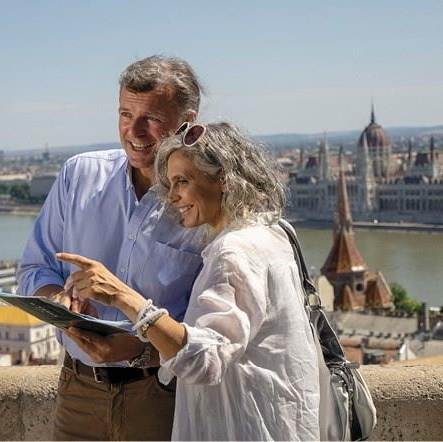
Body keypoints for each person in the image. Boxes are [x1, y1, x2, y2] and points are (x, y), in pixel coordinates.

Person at [57, 122, 321, 441]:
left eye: (182, 181)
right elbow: (227, 346)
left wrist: (123, 297)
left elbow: (205, 361)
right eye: (170, 183)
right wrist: (137, 351)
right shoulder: (273, 232)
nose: (172, 197)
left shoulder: (233, 252)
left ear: (223, 178)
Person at [16, 55, 206, 440]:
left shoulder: (207, 201)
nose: (133, 131)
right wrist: (58, 300)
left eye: (151, 118)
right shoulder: (79, 175)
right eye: (125, 114)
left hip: (165, 395)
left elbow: (214, 336)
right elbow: (34, 268)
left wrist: (138, 350)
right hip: (77, 389)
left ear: (187, 123)